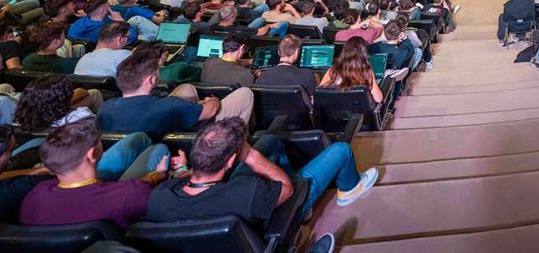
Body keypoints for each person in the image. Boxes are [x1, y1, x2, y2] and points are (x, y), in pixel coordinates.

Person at [146, 118, 378, 225]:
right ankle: (349, 189)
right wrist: (251, 155)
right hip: (284, 206)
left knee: (269, 141)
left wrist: (183, 170)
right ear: (229, 162)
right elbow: (287, 190)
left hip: (232, 198)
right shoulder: (247, 193)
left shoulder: (160, 197)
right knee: (341, 150)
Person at [18, 118, 171, 228]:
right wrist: (158, 175)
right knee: (159, 149)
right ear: (92, 154)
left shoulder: (35, 196)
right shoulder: (132, 193)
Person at [98, 48, 253, 136]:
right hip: (196, 135)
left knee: (187, 88)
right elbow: (210, 111)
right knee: (245, 93)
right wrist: (212, 100)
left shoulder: (105, 108)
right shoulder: (170, 105)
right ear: (151, 80)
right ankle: (239, 145)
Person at [320, 37, 384, 105]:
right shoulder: (366, 72)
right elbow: (378, 99)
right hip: (359, 112)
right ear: (364, 54)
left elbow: (319, 94)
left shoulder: (333, 71)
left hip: (334, 112)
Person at [255, 35, 318, 101]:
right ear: (296, 52)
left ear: (278, 52)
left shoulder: (262, 76)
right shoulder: (307, 75)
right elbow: (313, 103)